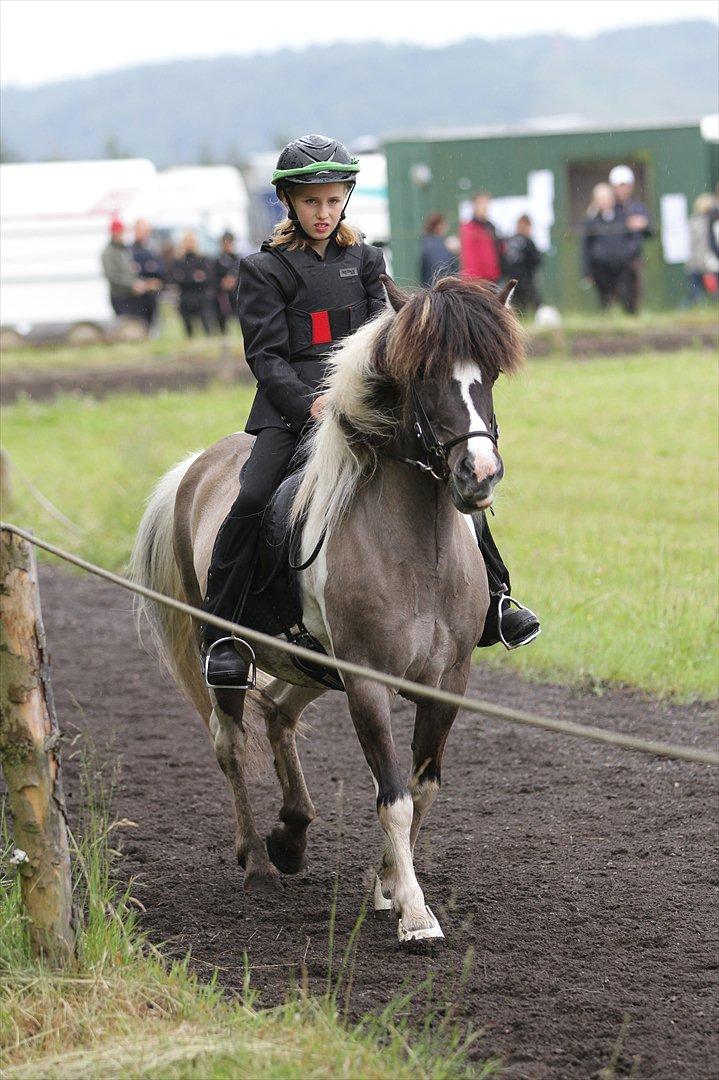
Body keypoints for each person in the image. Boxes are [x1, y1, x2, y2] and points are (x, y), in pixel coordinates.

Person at [201, 135, 539, 686]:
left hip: (364, 407)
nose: (323, 213)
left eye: (334, 201)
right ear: (289, 202)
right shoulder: (263, 271)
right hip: (293, 412)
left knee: (447, 477)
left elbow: (384, 339)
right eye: (312, 202)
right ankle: (222, 632)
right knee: (254, 496)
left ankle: (497, 597)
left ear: (346, 200)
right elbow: (265, 356)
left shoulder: (365, 260)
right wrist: (308, 404)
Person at [581, 183, 633, 311]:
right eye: (600, 198)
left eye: (606, 197)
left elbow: (632, 239)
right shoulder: (591, 221)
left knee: (625, 296)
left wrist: (627, 253)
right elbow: (585, 248)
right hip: (601, 269)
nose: (604, 201)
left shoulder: (623, 216)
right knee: (605, 299)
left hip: (622, 266)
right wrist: (587, 272)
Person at [608, 165, 652, 314]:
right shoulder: (609, 208)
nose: (622, 189)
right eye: (619, 186)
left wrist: (644, 224)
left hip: (633, 258)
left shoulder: (638, 207)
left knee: (634, 293)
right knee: (613, 294)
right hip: (613, 259)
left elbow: (650, 230)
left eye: (625, 185)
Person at [172, 232, 213, 337]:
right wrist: (194, 277)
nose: (189, 244)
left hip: (201, 295)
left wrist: (187, 277)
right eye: (187, 241)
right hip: (185, 296)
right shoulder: (178, 261)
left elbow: (208, 277)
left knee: (206, 324)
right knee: (187, 326)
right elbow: (176, 278)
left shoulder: (203, 259)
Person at [101, 219, 144, 316]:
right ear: (115, 233)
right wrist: (132, 285)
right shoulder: (108, 253)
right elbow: (112, 276)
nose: (124, 235)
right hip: (120, 297)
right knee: (125, 325)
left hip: (131, 296)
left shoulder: (124, 250)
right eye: (122, 232)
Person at [460, 192, 503, 284]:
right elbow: (470, 259)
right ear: (474, 205)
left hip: (494, 279)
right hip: (478, 282)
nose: (484, 207)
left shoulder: (490, 227)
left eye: (486, 203)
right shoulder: (469, 228)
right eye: (481, 203)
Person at [502, 214, 542, 314]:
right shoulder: (527, 241)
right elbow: (536, 260)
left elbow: (503, 261)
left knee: (514, 306)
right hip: (525, 280)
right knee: (533, 304)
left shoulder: (509, 241)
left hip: (510, 280)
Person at [129, 219, 165, 329]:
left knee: (153, 324)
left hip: (152, 294)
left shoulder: (153, 250)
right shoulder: (128, 250)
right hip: (135, 297)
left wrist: (155, 282)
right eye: (141, 230)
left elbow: (160, 271)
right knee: (138, 324)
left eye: (146, 230)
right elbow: (131, 272)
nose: (144, 233)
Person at [420, 212, 459, 285]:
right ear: (439, 226)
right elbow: (441, 268)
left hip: (430, 287)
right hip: (440, 289)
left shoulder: (427, 242)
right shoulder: (436, 244)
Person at [213, 231, 240, 333]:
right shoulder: (217, 261)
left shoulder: (238, 259)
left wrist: (235, 281)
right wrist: (222, 283)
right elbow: (213, 278)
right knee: (222, 320)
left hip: (237, 294)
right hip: (222, 296)